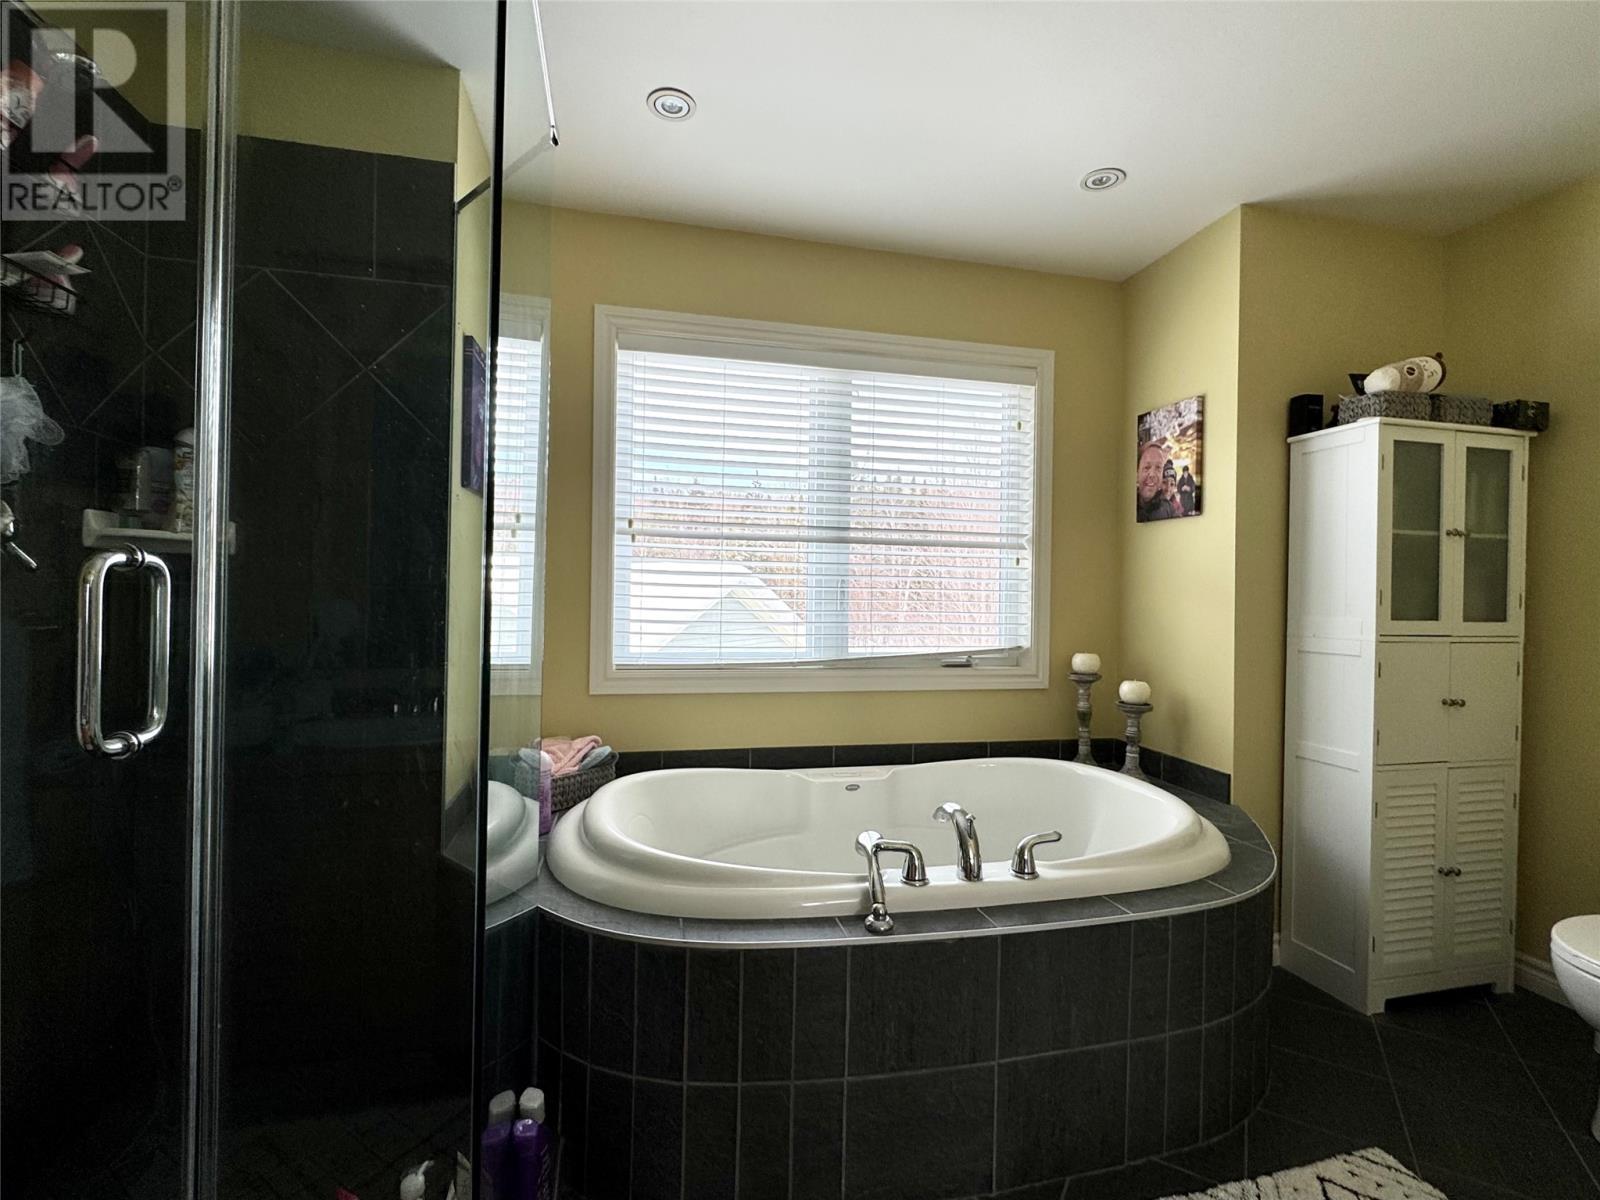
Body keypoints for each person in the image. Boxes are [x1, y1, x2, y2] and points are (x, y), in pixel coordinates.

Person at [1136, 440, 1179, 521]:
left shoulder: (1169, 509)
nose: (1152, 474)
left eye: (1158, 468)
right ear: (1137, 472)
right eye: (1147, 467)